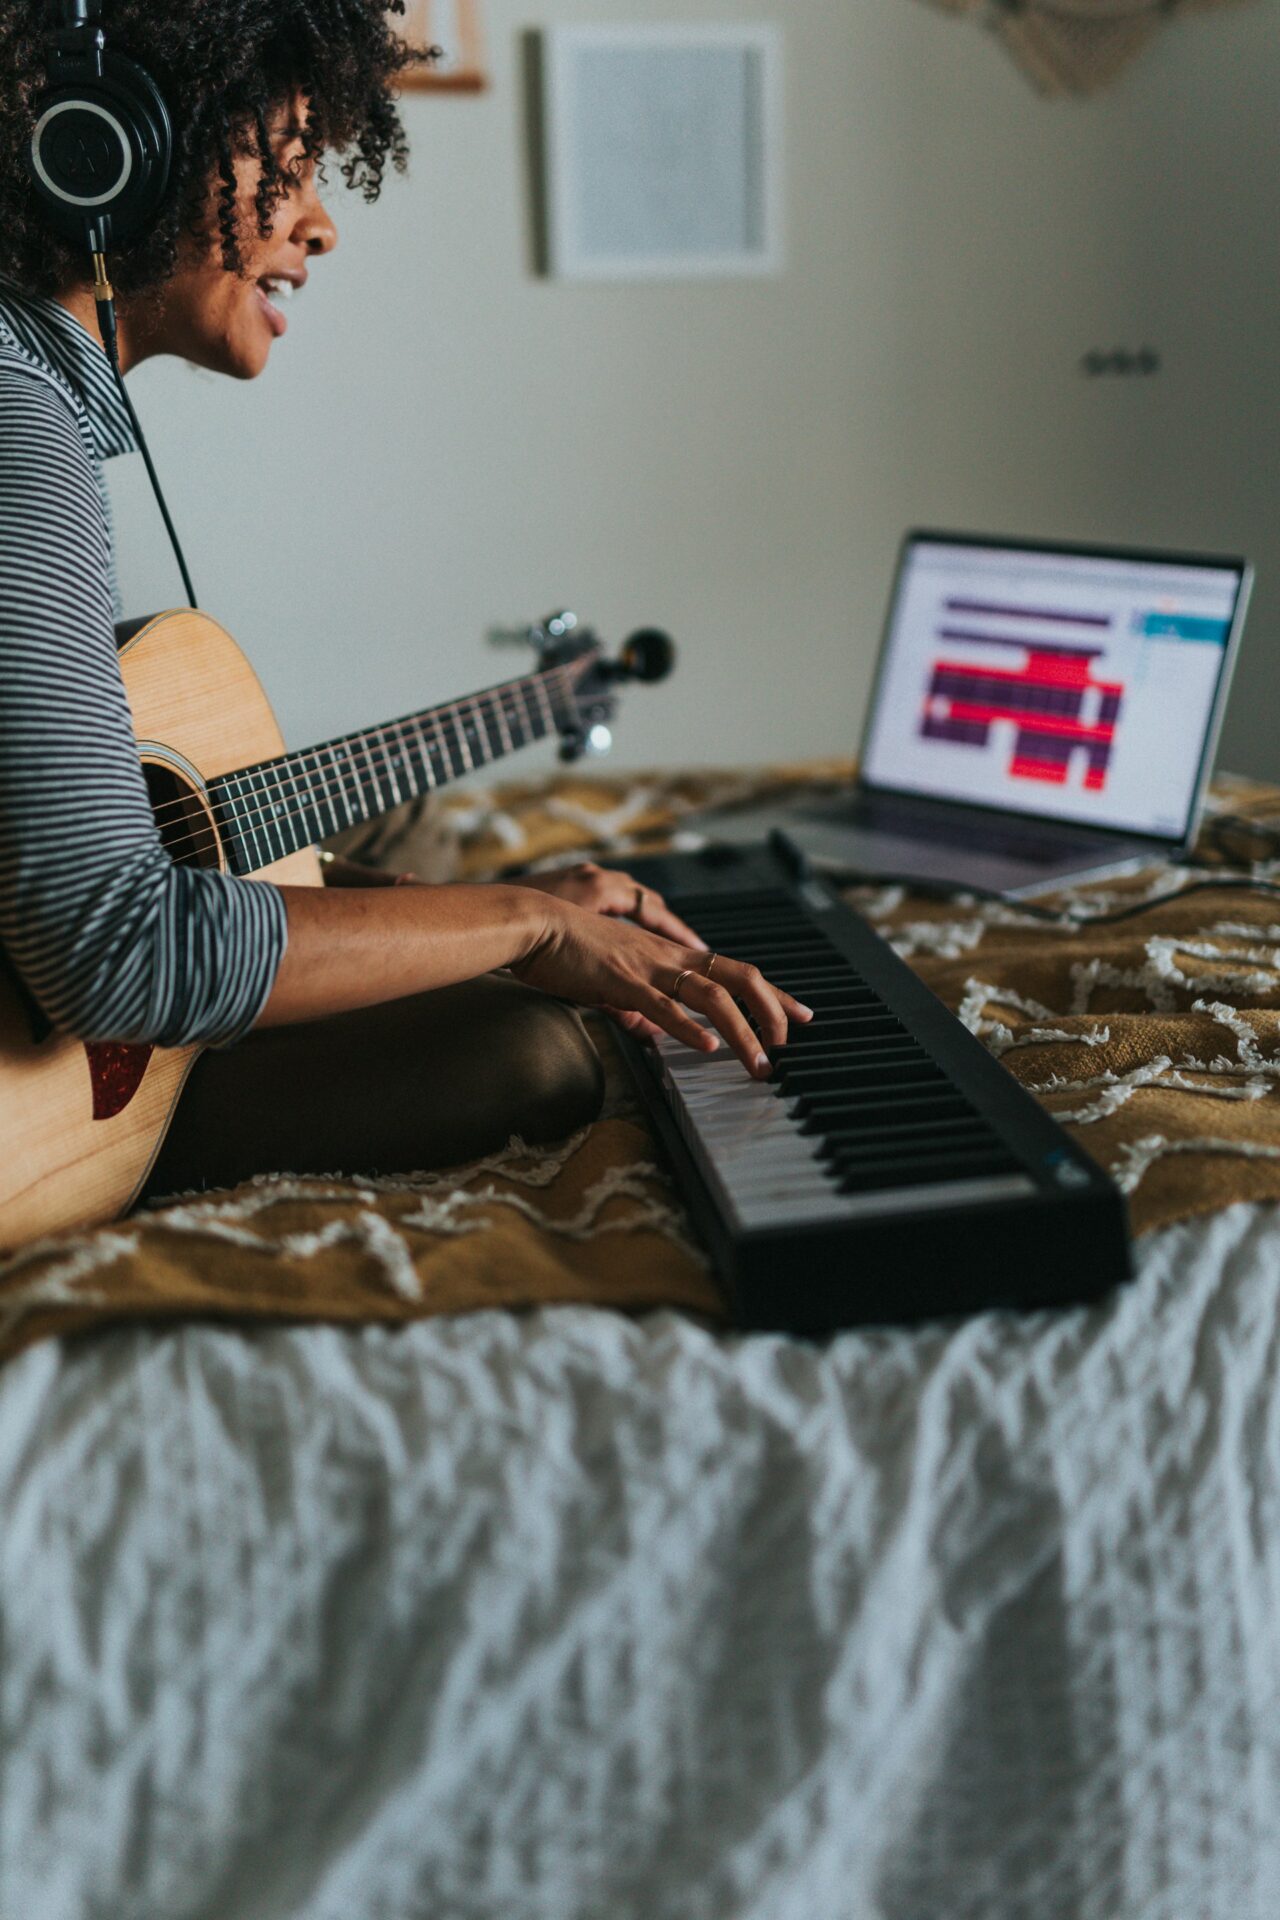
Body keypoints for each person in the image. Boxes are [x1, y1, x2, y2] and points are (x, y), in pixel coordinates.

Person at [0, 0, 810, 1197]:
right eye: (286, 170)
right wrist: (528, 925)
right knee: (537, 1053)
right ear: (112, 153)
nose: (321, 226)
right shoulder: (18, 428)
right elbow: (122, 954)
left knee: (401, 844)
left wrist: (495, 906)